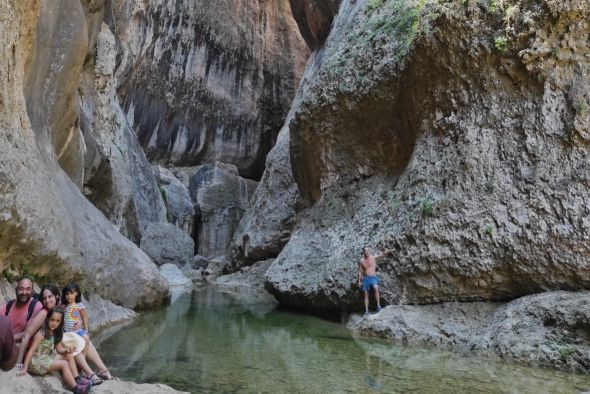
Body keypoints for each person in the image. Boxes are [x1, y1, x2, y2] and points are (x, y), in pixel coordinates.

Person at [17, 306, 92, 394]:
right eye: (52, 320)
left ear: (61, 322)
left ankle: (77, 379)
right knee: (64, 364)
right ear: (47, 319)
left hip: (47, 357)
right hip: (37, 362)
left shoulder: (56, 332)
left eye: (57, 321)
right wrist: (25, 368)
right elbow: (31, 351)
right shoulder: (41, 333)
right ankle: (76, 389)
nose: (54, 323)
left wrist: (66, 351)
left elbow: (59, 349)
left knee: (69, 355)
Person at [0, 277, 43, 342]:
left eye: (28, 289)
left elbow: (29, 333)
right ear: (16, 290)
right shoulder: (8, 305)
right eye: (21, 289)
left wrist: (7, 339)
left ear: (32, 291)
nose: (24, 292)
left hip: (21, 346)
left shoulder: (36, 306)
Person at [357, 246, 390, 315]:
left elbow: (381, 255)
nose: (367, 252)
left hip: (373, 277)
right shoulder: (361, 261)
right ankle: (366, 311)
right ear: (364, 252)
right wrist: (359, 281)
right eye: (366, 251)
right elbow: (360, 271)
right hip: (366, 278)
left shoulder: (373, 257)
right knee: (366, 294)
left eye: (368, 250)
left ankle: (378, 306)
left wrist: (385, 252)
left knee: (375, 287)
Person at [62, 283, 90, 354]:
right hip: (66, 331)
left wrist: (86, 329)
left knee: (86, 338)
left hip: (77, 331)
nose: (69, 296)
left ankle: (84, 357)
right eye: (67, 294)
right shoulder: (64, 306)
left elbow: (84, 317)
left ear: (76, 293)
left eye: (71, 293)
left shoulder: (79, 305)